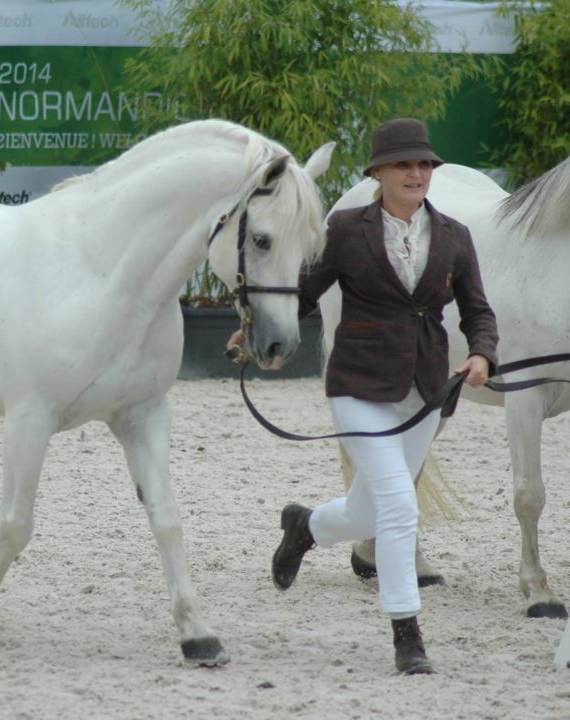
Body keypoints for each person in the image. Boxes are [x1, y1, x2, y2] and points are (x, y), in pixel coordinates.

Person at [234, 118, 499, 675]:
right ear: (378, 172)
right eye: (404, 164)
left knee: (366, 510)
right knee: (399, 505)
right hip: (358, 385)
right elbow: (303, 293)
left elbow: (478, 311)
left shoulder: (454, 236)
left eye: (424, 164)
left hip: (425, 392)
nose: (416, 173)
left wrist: (482, 354)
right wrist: (254, 330)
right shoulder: (345, 230)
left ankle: (305, 528)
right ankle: (407, 632)